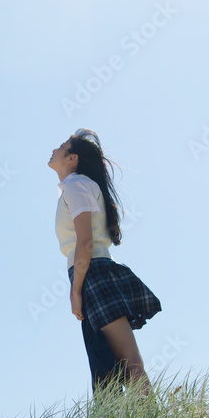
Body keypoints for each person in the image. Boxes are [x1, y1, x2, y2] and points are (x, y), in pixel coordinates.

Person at [47, 128, 161, 395]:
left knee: (127, 363)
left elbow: (85, 243)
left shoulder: (77, 185)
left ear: (72, 158)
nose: (54, 149)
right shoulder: (75, 187)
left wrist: (76, 291)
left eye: (62, 145)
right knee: (118, 363)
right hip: (93, 271)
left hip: (92, 272)